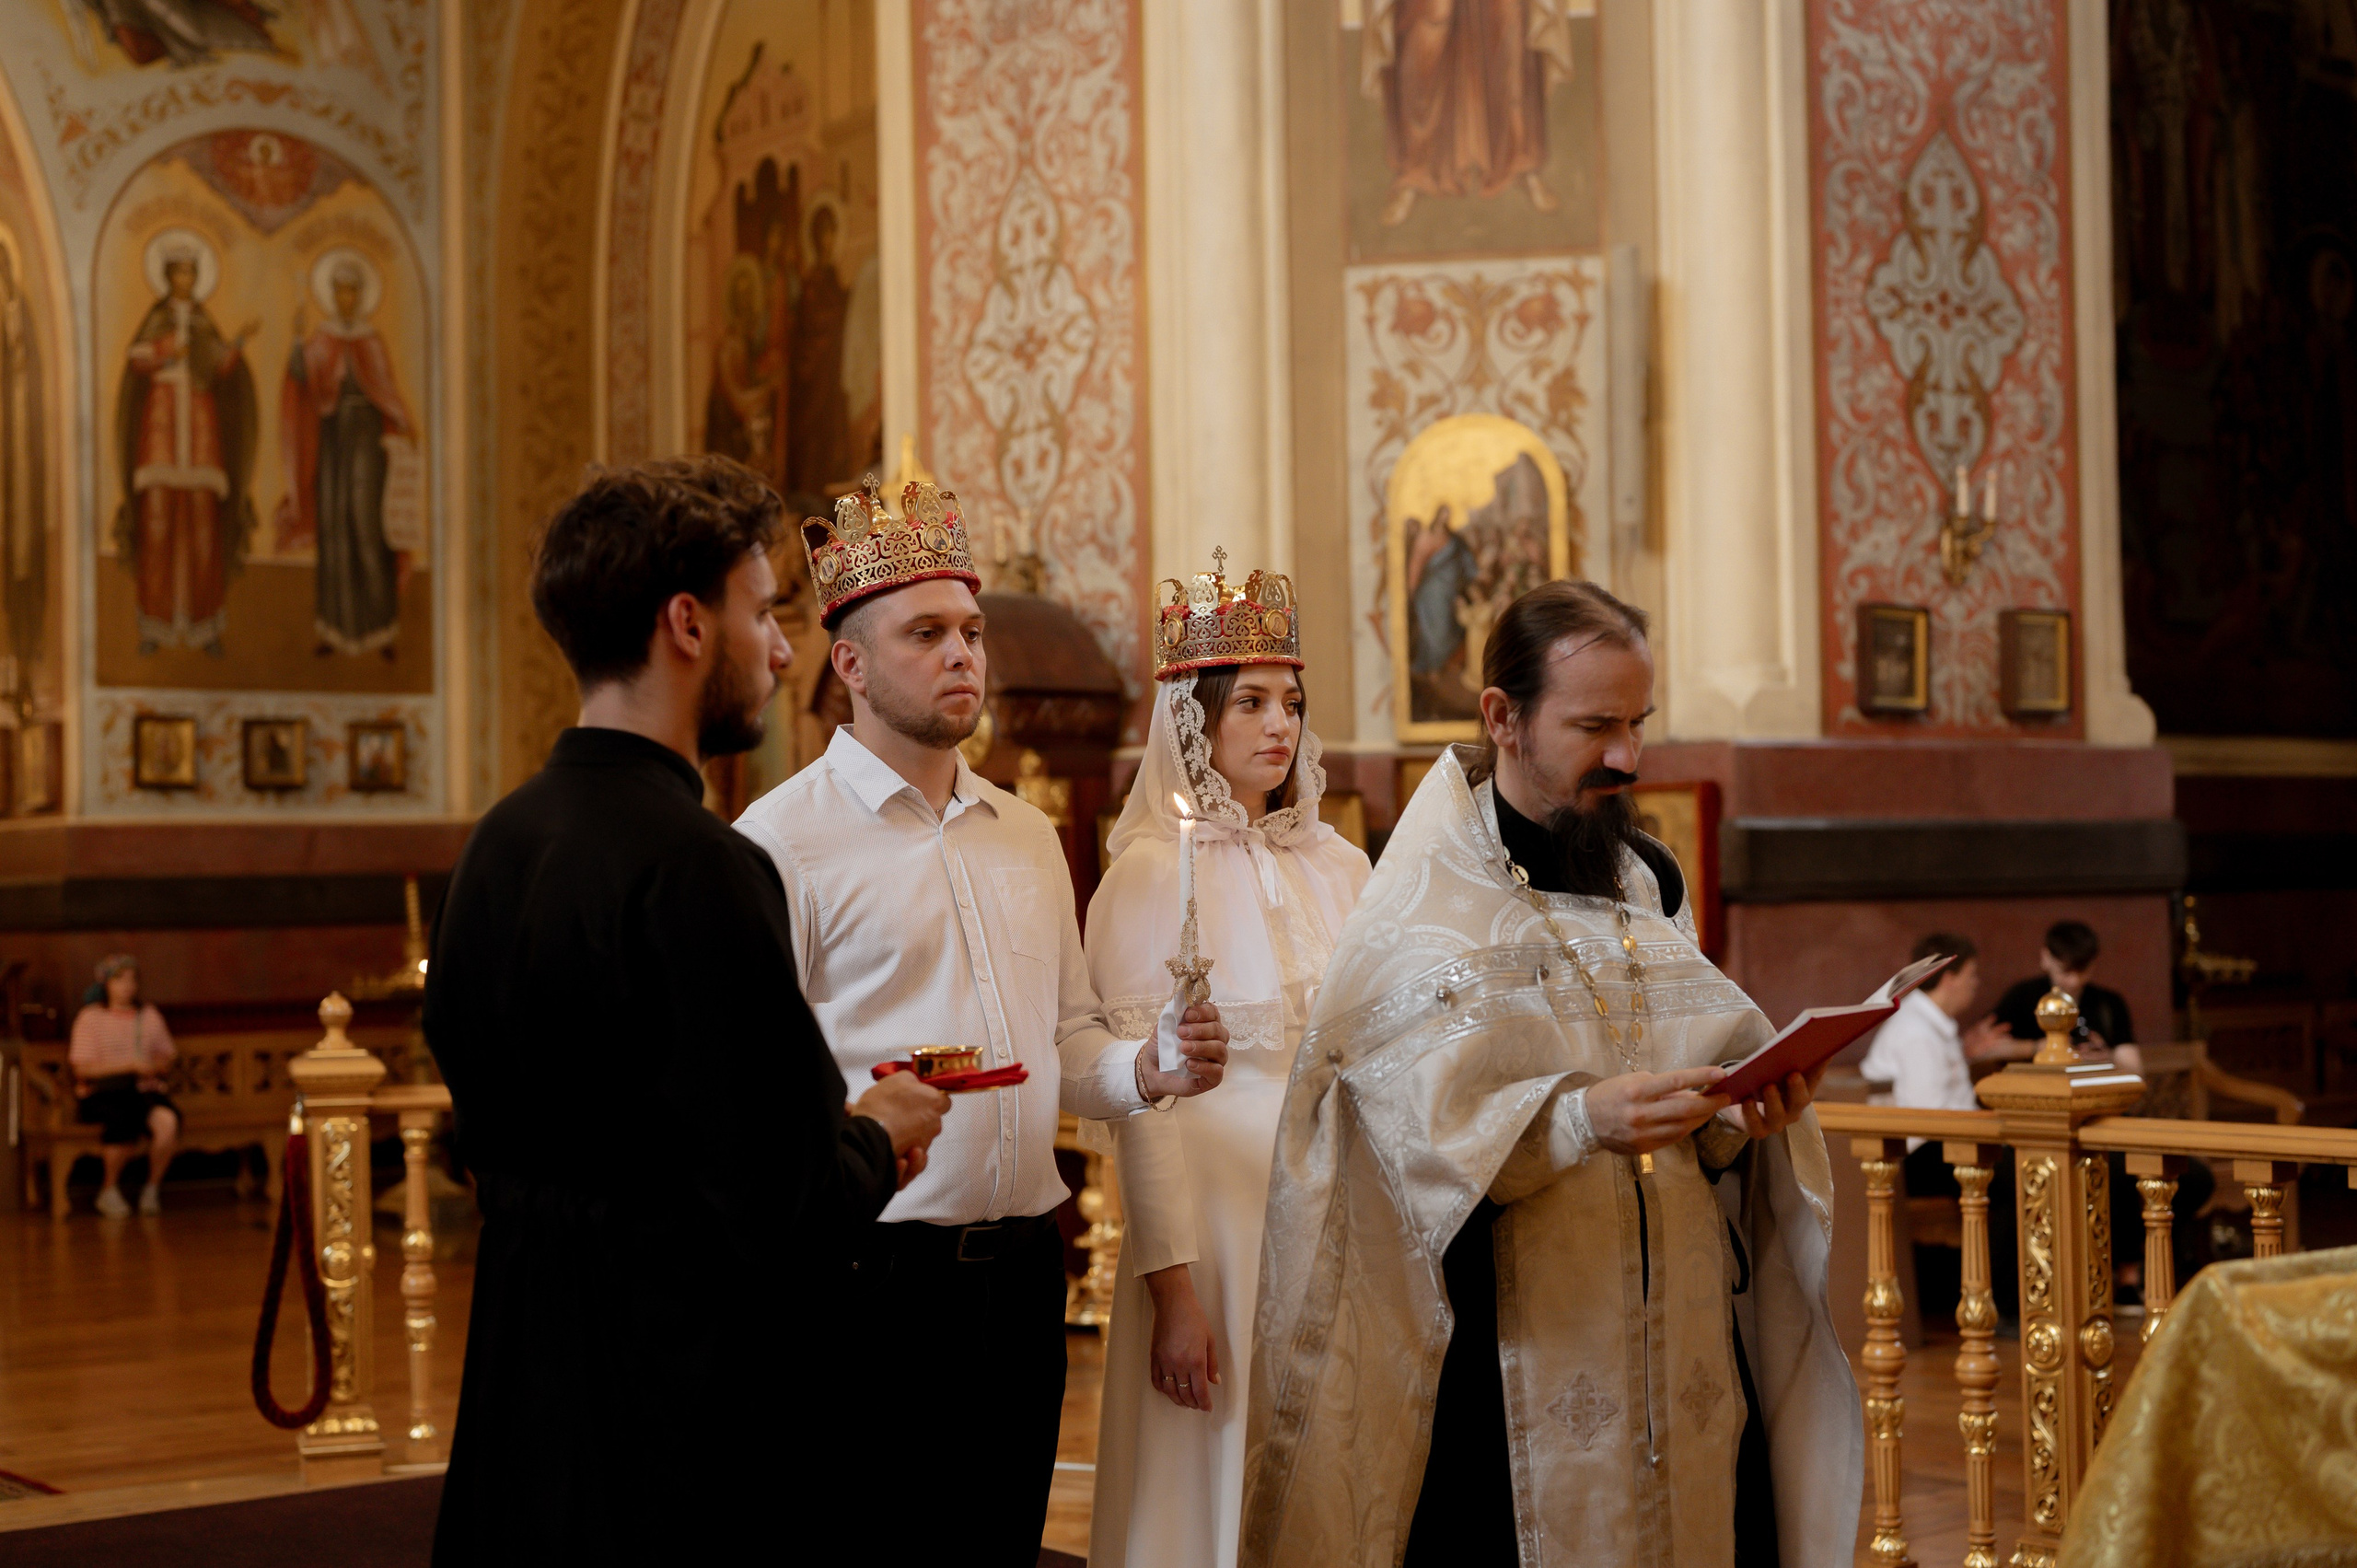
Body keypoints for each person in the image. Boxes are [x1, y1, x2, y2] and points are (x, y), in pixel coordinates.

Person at [1242, 580, 1862, 1568]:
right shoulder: (1426, 896)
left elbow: (1681, 1069)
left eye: (1639, 722)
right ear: (1503, 716)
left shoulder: (1645, 873)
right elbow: (1389, 1148)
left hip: (1678, 1335)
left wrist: (1737, 1113)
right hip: (1508, 1346)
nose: (1626, 755)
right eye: (1594, 725)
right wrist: (1574, 1123)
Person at [424, 457, 947, 1562]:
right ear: (686, 623)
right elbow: (780, 1199)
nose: (780, 647)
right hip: (672, 1412)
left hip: (521, 1383)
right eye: (763, 609)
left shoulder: (497, 844)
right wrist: (882, 1129)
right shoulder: (700, 866)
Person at [734, 478, 1231, 1568]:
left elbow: (1063, 1040)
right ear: (850, 667)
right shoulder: (778, 844)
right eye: (926, 633)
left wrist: (1144, 1067)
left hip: (1016, 1274)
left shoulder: (1025, 833)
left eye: (972, 631)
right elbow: (755, 1095)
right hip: (866, 1281)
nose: (963, 654)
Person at [1085, 558, 1371, 1568]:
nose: (1277, 724)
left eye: (1289, 701)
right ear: (1195, 720)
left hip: (1327, 1218)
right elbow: (1138, 1100)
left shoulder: (1339, 866)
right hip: (1212, 1230)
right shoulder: (1150, 875)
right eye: (1248, 701)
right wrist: (1174, 1291)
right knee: (1204, 1476)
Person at [1859, 932, 2018, 1318]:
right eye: (1972, 976)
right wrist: (1994, 1126)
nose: (1975, 986)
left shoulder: (1932, 1024)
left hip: (1943, 1143)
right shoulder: (1915, 1031)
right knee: (2016, 1175)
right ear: (1949, 978)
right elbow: (1932, 1117)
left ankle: (2007, 1298)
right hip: (1914, 1156)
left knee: (2024, 1167)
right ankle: (2001, 1306)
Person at [278, 251, 416, 659]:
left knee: (367, 524)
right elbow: (304, 380)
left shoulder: (372, 342)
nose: (346, 298)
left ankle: (382, 628)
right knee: (335, 528)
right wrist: (296, 345)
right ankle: (333, 629)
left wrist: (404, 424)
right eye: (339, 290)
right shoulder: (321, 338)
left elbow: (385, 390)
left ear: (361, 295)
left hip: (368, 440)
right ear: (332, 295)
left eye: (353, 290)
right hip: (334, 440)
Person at [68, 954, 180, 1217]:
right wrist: (129, 1065)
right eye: (120, 980)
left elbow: (168, 1055)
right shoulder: (91, 1018)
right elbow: (81, 1068)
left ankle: (151, 1188)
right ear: (106, 984)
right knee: (123, 1119)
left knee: (167, 1122)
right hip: (104, 1093)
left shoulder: (148, 1015)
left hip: (143, 1092)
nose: (127, 986)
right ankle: (109, 1189)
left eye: (132, 980)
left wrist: (155, 1065)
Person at [1992, 920, 2137, 1061]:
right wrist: (2038, 1047)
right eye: (2065, 971)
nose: (2074, 981)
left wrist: (2108, 1058)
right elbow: (1984, 1048)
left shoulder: (2109, 1003)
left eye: (2082, 971)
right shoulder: (2022, 996)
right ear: (2046, 958)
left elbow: (2135, 1068)